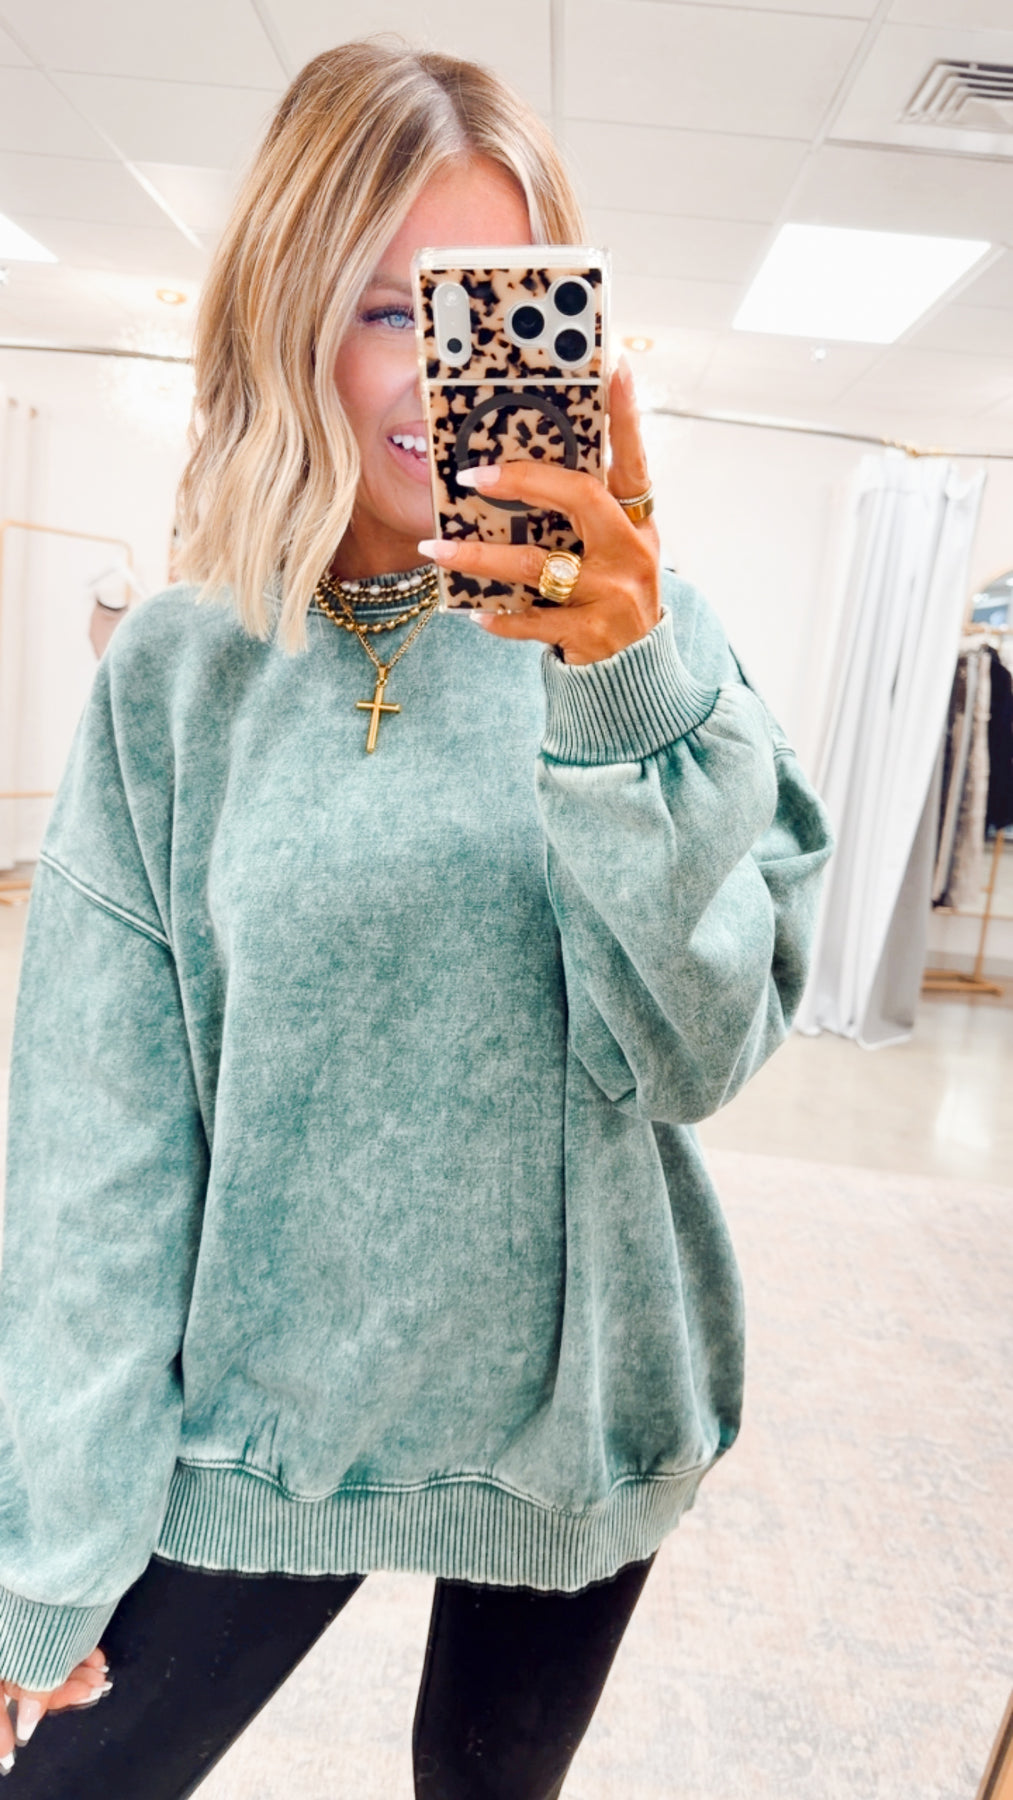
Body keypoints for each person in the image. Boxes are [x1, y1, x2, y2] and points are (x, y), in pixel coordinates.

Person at [0, 36, 835, 1799]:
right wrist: (47, 1542)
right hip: (263, 1417)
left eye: (493, 309)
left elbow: (693, 1055)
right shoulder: (181, 673)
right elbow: (95, 1146)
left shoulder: (651, 643)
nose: (442, 371)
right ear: (286, 313)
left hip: (574, 1408)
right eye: (391, 309)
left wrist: (614, 691)